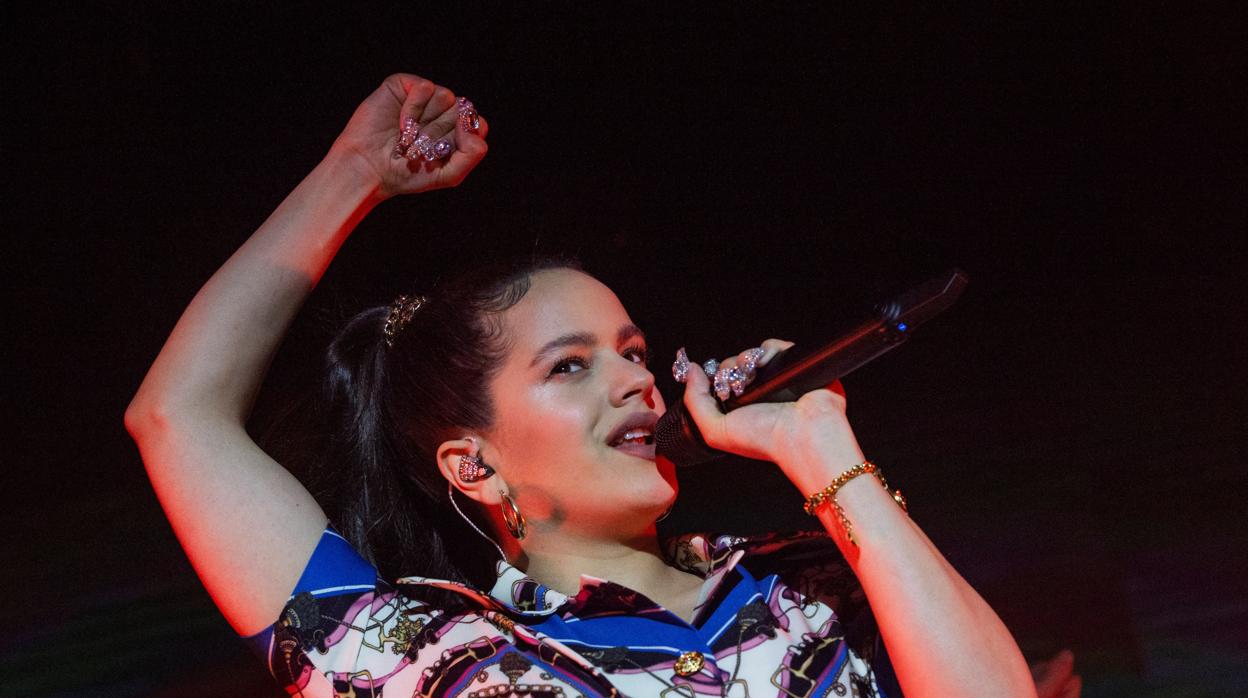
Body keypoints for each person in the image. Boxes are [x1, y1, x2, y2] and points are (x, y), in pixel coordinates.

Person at [126, 73, 1063, 696]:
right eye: (569, 366)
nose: (636, 382)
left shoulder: (812, 581)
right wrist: (355, 174)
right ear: (473, 465)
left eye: (633, 351)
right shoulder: (423, 657)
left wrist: (821, 448)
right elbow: (176, 417)